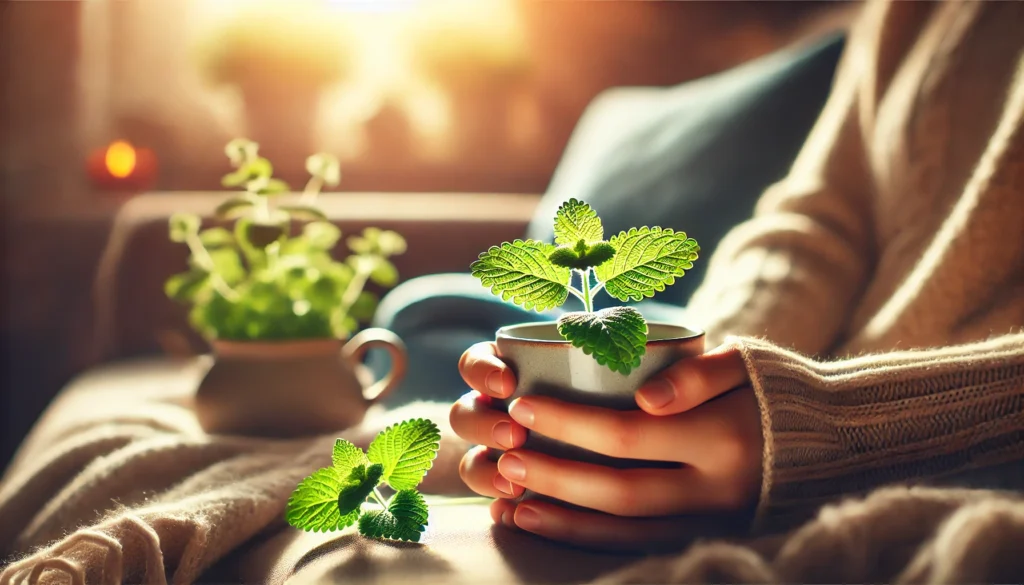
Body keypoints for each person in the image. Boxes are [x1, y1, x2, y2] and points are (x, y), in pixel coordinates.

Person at [448, 0, 1024, 551]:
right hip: (786, 394)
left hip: (934, 476)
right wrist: (712, 377)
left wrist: (833, 434)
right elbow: (817, 221)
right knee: (436, 316)